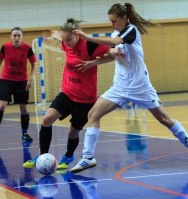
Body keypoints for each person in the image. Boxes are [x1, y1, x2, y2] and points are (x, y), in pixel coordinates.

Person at [70, 3, 188, 173]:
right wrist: (94, 62)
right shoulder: (115, 32)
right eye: (110, 21)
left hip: (140, 86)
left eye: (114, 21)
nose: (112, 25)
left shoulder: (131, 30)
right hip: (120, 86)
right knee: (93, 114)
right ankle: (88, 157)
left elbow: (115, 42)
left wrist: (87, 38)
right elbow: (114, 54)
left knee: (164, 119)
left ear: (124, 18)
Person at [22, 18, 120, 170]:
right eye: (63, 39)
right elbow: (61, 41)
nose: (66, 43)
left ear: (77, 35)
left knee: (72, 132)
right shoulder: (65, 42)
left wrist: (93, 63)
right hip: (67, 93)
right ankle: (42, 156)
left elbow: (112, 55)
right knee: (47, 119)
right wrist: (56, 36)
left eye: (68, 39)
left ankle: (68, 156)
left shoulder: (89, 45)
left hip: (85, 99)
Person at [0, 27, 37, 144]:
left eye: (19, 35)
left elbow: (34, 63)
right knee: (1, 106)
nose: (16, 38)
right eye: (14, 35)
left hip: (22, 82)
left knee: (24, 109)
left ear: (22, 37)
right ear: (11, 36)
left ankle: (24, 133)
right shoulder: (5, 47)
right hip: (6, 80)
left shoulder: (27, 48)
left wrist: (31, 78)